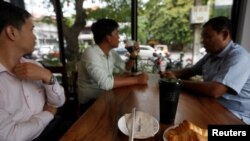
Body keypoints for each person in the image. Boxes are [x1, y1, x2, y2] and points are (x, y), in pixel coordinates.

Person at [162, 16, 250, 124]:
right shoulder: (211, 55)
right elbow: (191, 71)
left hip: (235, 116)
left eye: (208, 37)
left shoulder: (239, 57)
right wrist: (170, 74)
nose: (204, 41)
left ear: (224, 35)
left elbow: (215, 90)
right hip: (213, 106)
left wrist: (176, 82)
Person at [0, 1, 65, 141]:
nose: (35, 37)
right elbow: (9, 136)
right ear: (12, 32)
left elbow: (59, 102)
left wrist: (47, 76)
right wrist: (48, 113)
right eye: (31, 30)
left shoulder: (34, 65)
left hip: (53, 129)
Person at [77, 18, 148, 106]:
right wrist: (137, 80)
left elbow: (126, 68)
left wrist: (133, 55)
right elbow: (106, 83)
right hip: (90, 103)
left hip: (106, 96)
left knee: (130, 104)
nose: (118, 37)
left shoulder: (111, 52)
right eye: (116, 33)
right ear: (108, 37)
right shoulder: (90, 52)